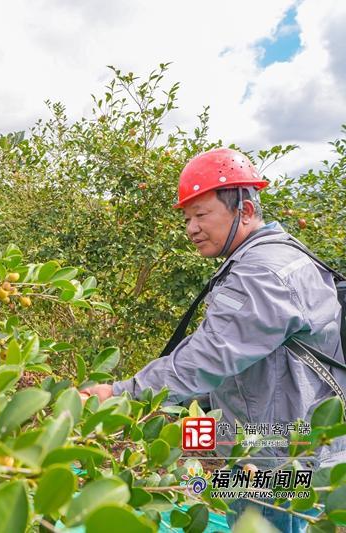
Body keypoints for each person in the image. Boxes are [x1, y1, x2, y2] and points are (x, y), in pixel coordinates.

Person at [81, 148, 345, 531]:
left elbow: (210, 357)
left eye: (202, 214)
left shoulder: (262, 274)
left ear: (246, 210)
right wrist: (192, 424)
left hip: (274, 459)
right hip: (291, 445)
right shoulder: (276, 257)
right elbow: (247, 364)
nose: (191, 228)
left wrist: (122, 393)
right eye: (187, 218)